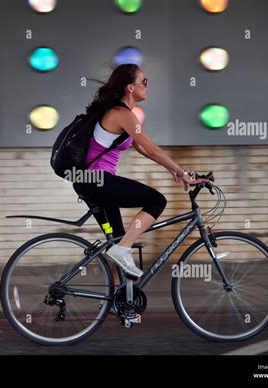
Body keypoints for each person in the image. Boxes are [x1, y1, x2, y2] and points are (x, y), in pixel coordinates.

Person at [73, 64, 209, 282]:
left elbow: (144, 149)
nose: (147, 86)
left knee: (116, 240)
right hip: (97, 181)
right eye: (143, 81)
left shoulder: (119, 114)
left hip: (90, 182)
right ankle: (123, 250)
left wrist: (173, 170)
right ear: (130, 87)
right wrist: (183, 172)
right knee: (156, 201)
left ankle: (119, 302)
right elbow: (153, 147)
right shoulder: (121, 114)